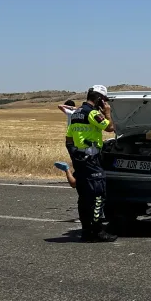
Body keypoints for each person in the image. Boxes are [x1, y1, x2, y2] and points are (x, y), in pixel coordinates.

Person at [65, 85, 114, 242]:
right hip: (92, 161)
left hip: (80, 160)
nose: (104, 103)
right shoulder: (92, 113)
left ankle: (86, 230)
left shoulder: (76, 113)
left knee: (84, 196)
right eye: (103, 100)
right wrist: (107, 112)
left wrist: (75, 155)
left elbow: (69, 139)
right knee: (98, 195)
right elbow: (110, 127)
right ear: (99, 99)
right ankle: (97, 231)